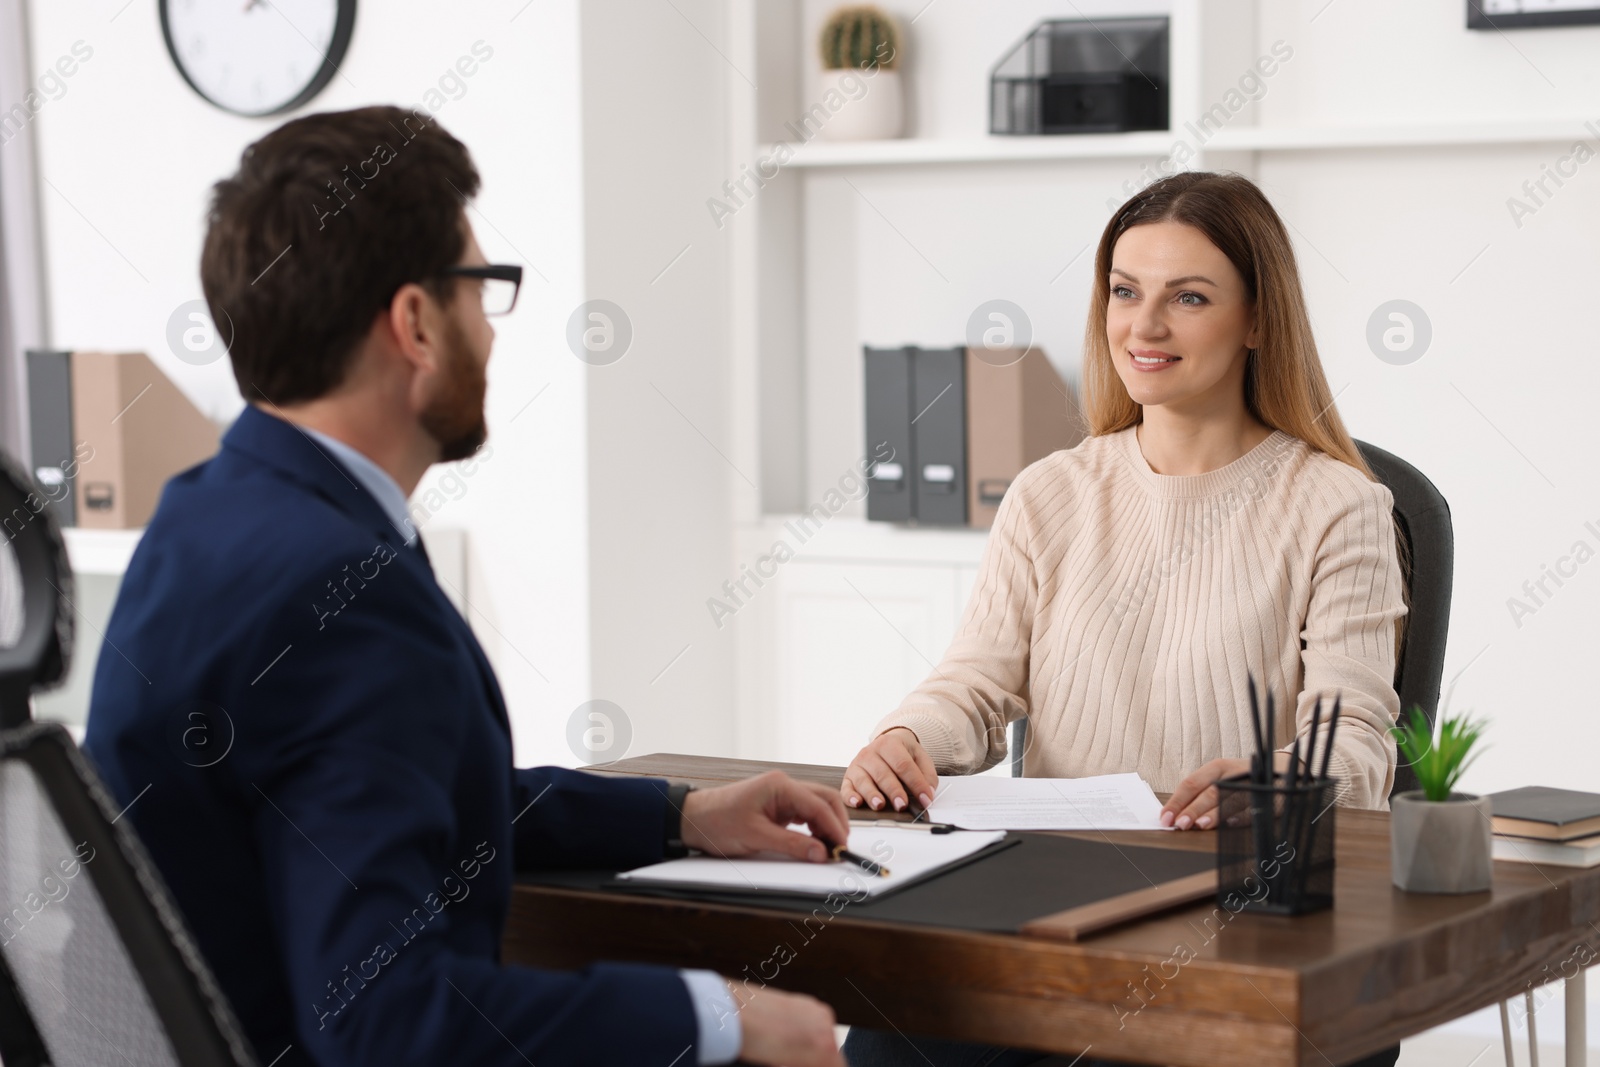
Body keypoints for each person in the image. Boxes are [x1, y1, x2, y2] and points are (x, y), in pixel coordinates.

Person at [83, 106, 847, 1067]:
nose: (489, 325)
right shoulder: (343, 590)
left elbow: (385, 799)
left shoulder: (208, 512)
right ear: (415, 324)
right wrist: (719, 1016)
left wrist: (677, 814)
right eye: (481, 289)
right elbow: (387, 1024)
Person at [838, 171, 1407, 1067]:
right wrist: (910, 734)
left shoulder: (1338, 506)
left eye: (1188, 297)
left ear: (1259, 320)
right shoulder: (1052, 493)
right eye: (1125, 292)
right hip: (1059, 910)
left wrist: (1279, 783)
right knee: (882, 1041)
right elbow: (977, 685)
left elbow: (1360, 742)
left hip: (1241, 920)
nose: (1143, 327)